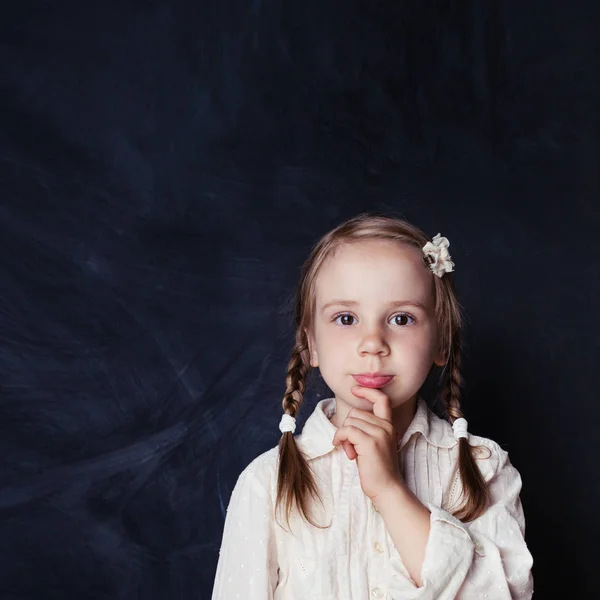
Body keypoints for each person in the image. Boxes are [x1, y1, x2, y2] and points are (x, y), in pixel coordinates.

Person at [211, 212, 534, 599]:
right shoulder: (267, 483)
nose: (373, 342)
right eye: (346, 318)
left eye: (401, 318)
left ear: (442, 342)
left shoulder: (482, 468)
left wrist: (390, 490)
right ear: (311, 343)